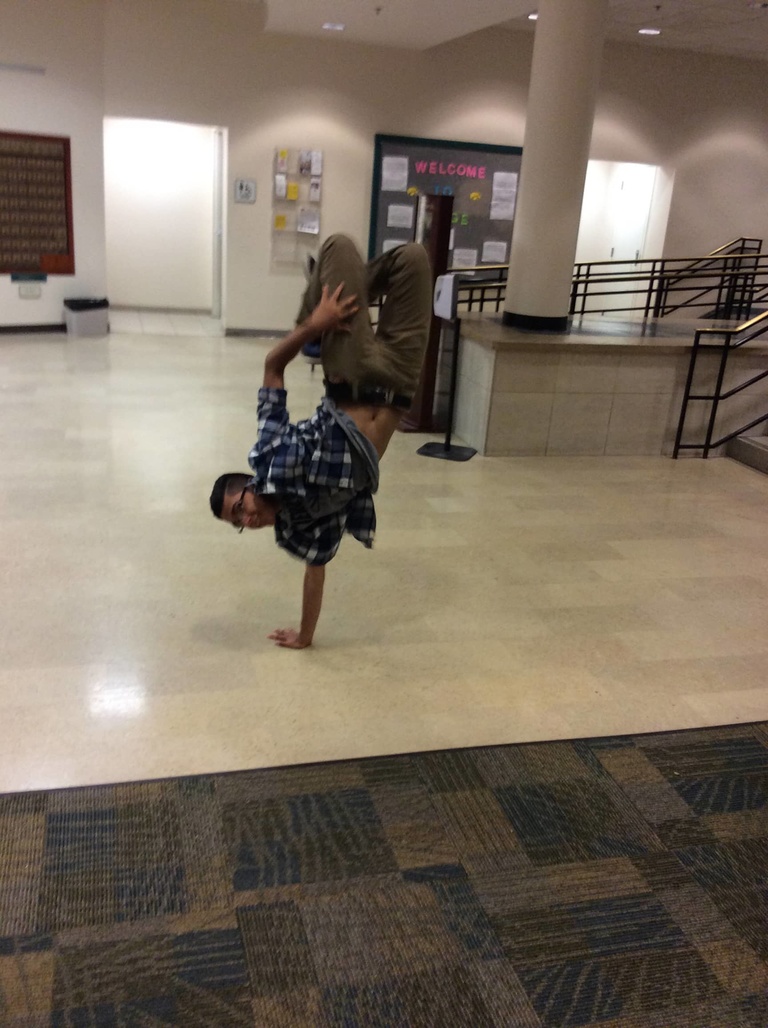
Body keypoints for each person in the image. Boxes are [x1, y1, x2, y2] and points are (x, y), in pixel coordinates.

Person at [209, 234, 432, 648]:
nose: (248, 521)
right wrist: (305, 636)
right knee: (415, 259)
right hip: (400, 382)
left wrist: (314, 326)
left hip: (350, 371)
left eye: (240, 509)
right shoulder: (297, 532)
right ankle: (332, 293)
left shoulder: (267, 452)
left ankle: (318, 314)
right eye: (238, 523)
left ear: (248, 486)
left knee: (338, 247)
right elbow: (316, 570)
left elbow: (272, 367)